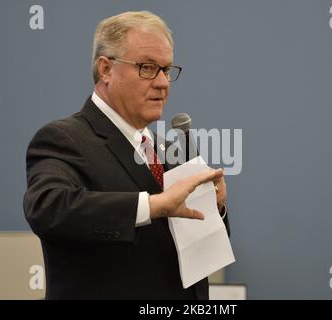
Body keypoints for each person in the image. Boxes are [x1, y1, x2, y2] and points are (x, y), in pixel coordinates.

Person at [23, 11, 229, 300]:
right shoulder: (63, 138)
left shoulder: (169, 149)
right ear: (106, 69)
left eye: (167, 70)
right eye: (147, 67)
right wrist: (153, 206)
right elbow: (48, 208)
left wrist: (214, 207)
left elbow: (196, 249)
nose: (162, 83)